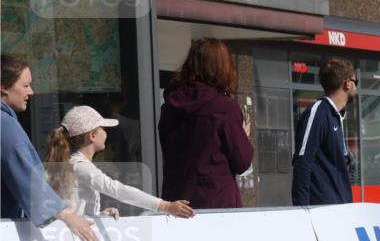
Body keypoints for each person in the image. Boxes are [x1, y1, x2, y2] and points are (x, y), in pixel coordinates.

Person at [1, 54, 98, 241]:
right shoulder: (5, 125)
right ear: (3, 86)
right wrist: (67, 216)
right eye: (26, 85)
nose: (31, 92)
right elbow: (26, 174)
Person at [44, 106, 194, 219]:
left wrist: (98, 216)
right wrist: (165, 206)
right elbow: (118, 190)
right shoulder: (80, 166)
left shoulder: (74, 163)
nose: (106, 132)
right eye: (102, 127)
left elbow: (74, 207)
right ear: (92, 136)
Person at [159, 39, 253, 209]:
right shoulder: (224, 107)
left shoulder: (170, 105)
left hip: (176, 201)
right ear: (221, 67)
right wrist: (243, 136)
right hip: (216, 203)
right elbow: (242, 161)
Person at [292, 58, 356, 206]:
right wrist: (302, 211)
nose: (355, 86)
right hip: (323, 209)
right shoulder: (318, 113)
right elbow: (302, 161)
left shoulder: (336, 115)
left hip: (340, 207)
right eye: (355, 81)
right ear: (347, 83)